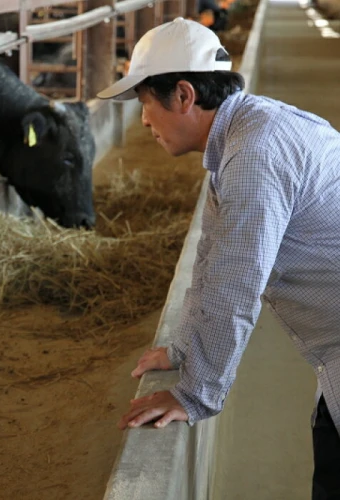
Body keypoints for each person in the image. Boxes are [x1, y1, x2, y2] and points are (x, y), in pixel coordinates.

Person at [97, 17, 340, 500]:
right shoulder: (243, 133)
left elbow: (235, 285)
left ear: (184, 96)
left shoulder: (253, 154)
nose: (143, 121)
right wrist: (183, 348)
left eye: (146, 103)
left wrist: (195, 394)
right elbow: (211, 257)